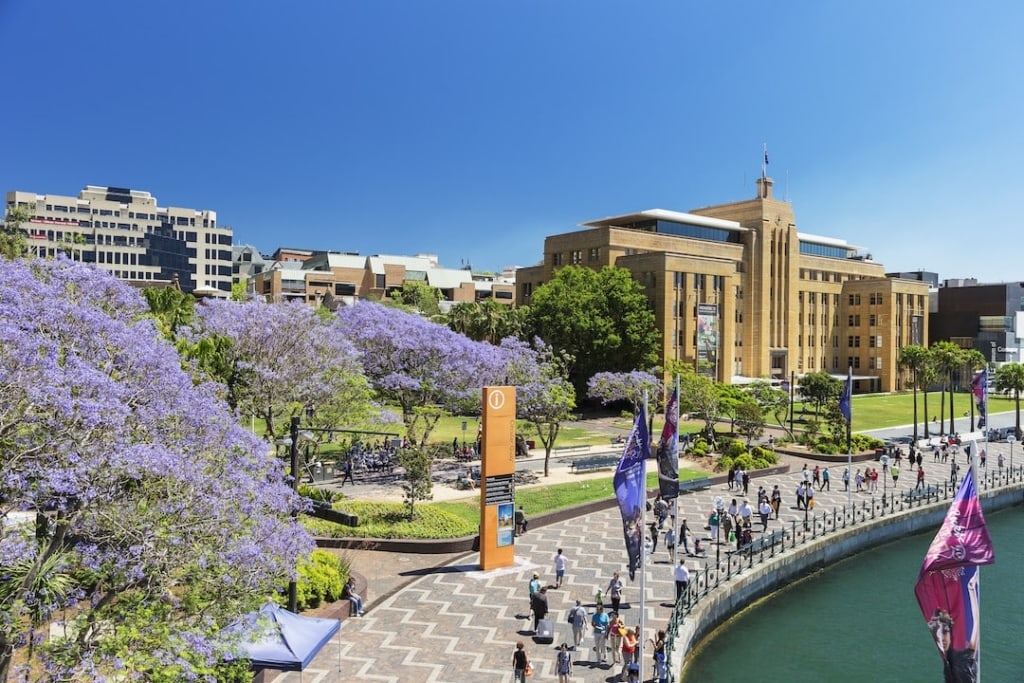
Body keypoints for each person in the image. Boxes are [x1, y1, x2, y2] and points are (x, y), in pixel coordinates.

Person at [928, 608, 977, 683]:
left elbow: (976, 623)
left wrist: (972, 596)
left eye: (945, 632)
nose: (942, 639)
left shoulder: (963, 657)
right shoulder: (947, 661)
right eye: (938, 635)